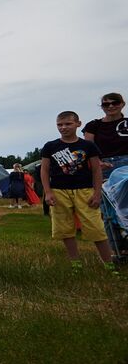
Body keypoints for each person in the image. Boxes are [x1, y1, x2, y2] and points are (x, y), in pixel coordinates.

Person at [40, 111, 114, 271]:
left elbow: (96, 170)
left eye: (68, 124)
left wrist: (97, 192)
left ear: (78, 124)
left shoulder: (88, 146)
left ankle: (108, 264)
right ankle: (76, 264)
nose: (63, 127)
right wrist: (48, 192)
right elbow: (44, 171)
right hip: (59, 191)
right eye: (60, 124)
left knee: (96, 227)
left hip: (84, 190)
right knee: (65, 228)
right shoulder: (50, 146)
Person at [83, 92, 128, 259]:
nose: (110, 106)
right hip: (105, 166)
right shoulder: (94, 126)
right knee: (109, 210)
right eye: (106, 104)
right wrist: (97, 163)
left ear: (122, 104)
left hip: (126, 165)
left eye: (114, 103)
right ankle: (117, 250)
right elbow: (88, 148)